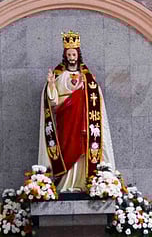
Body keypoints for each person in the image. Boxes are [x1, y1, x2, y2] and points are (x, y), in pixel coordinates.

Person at [37, 31, 115, 193]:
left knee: (82, 151)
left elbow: (96, 101)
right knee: (67, 150)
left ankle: (82, 182)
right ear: (65, 56)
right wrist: (51, 85)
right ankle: (65, 184)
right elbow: (52, 102)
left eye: (74, 53)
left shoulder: (87, 78)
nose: (72, 57)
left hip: (82, 122)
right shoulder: (59, 77)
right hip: (65, 120)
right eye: (69, 54)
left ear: (78, 55)